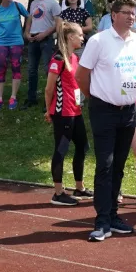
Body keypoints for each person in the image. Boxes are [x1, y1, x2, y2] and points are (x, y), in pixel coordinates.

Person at [77, 0, 136, 242]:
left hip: (129, 112)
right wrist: (96, 98)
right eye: (127, 13)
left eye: (134, 13)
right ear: (114, 15)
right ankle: (102, 221)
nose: (132, 17)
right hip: (104, 111)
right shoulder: (98, 41)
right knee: (105, 165)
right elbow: (82, 75)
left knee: (119, 166)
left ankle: (114, 215)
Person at [45, 19, 92, 205]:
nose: (83, 37)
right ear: (71, 37)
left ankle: (79, 187)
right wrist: (49, 110)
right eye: (80, 34)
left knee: (82, 147)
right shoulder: (58, 59)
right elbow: (49, 88)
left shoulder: (75, 58)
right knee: (61, 149)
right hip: (62, 112)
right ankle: (58, 193)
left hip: (76, 111)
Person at [23, 0, 61, 109]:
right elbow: (29, 19)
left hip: (46, 40)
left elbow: (58, 24)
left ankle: (50, 99)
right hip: (33, 39)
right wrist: (27, 33)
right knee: (31, 70)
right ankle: (31, 98)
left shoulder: (53, 3)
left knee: (48, 70)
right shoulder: (33, 3)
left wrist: (44, 34)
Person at [0, 0, 29, 111]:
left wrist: (26, 31)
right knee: (1, 69)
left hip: (16, 42)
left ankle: (13, 97)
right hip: (1, 43)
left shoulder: (17, 6)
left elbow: (29, 17)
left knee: (16, 67)